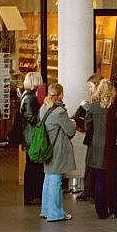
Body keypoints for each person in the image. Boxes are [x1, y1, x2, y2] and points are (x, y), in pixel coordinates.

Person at [83, 79, 117, 220]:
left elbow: (88, 125)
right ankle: (115, 210)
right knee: (115, 180)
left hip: (97, 148)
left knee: (99, 180)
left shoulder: (92, 106)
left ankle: (101, 211)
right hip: (114, 149)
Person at [37, 82, 77, 223]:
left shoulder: (43, 108)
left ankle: (46, 209)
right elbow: (70, 131)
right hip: (57, 149)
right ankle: (55, 213)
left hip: (46, 146)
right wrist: (73, 124)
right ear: (60, 95)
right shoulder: (59, 112)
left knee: (48, 179)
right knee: (55, 180)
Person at [16, 70, 45, 206]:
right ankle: (32, 195)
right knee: (33, 166)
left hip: (29, 136)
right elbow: (31, 118)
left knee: (33, 166)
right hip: (32, 136)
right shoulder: (30, 98)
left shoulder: (27, 96)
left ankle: (32, 195)